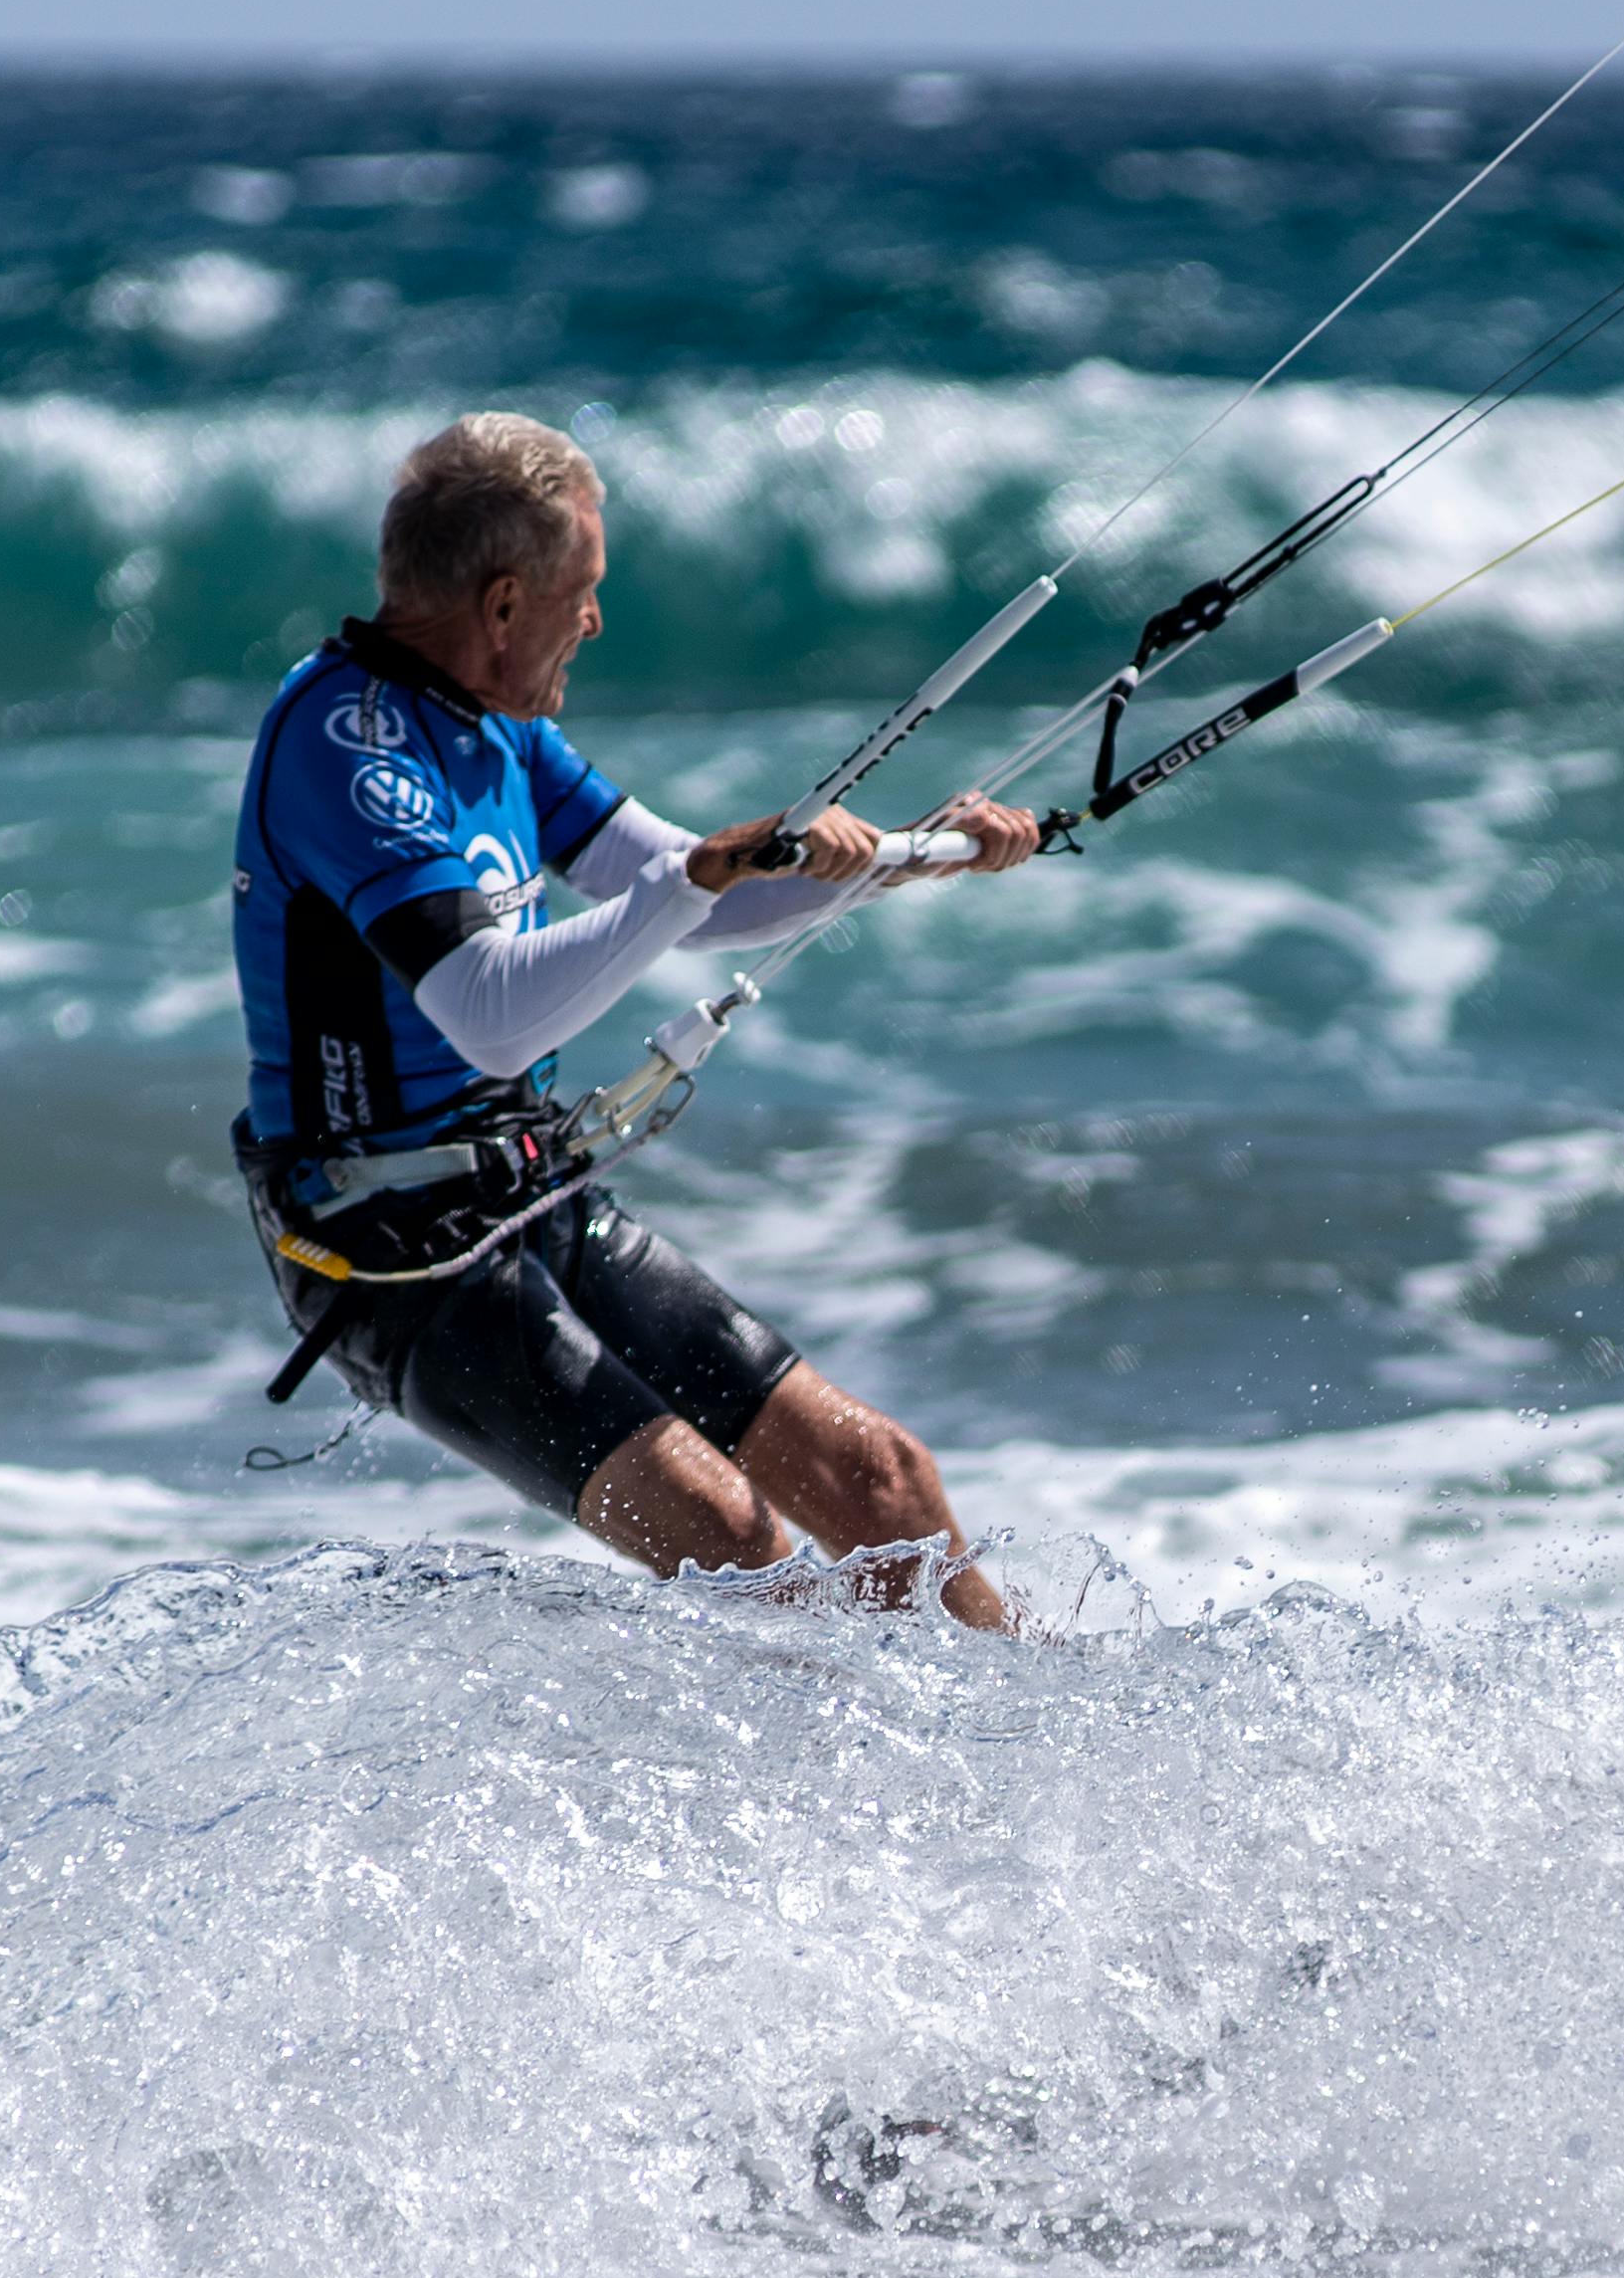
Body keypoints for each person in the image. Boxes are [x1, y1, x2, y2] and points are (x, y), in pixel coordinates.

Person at [232, 411, 1038, 1628]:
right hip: (387, 1248)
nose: (595, 619)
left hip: (525, 1188)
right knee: (746, 1553)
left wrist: (920, 852)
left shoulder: (497, 725)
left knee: (885, 1483)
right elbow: (492, 1012)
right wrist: (695, 879)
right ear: (503, 607)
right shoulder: (349, 752)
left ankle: (1031, 1752)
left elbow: (690, 899)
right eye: (582, 590)